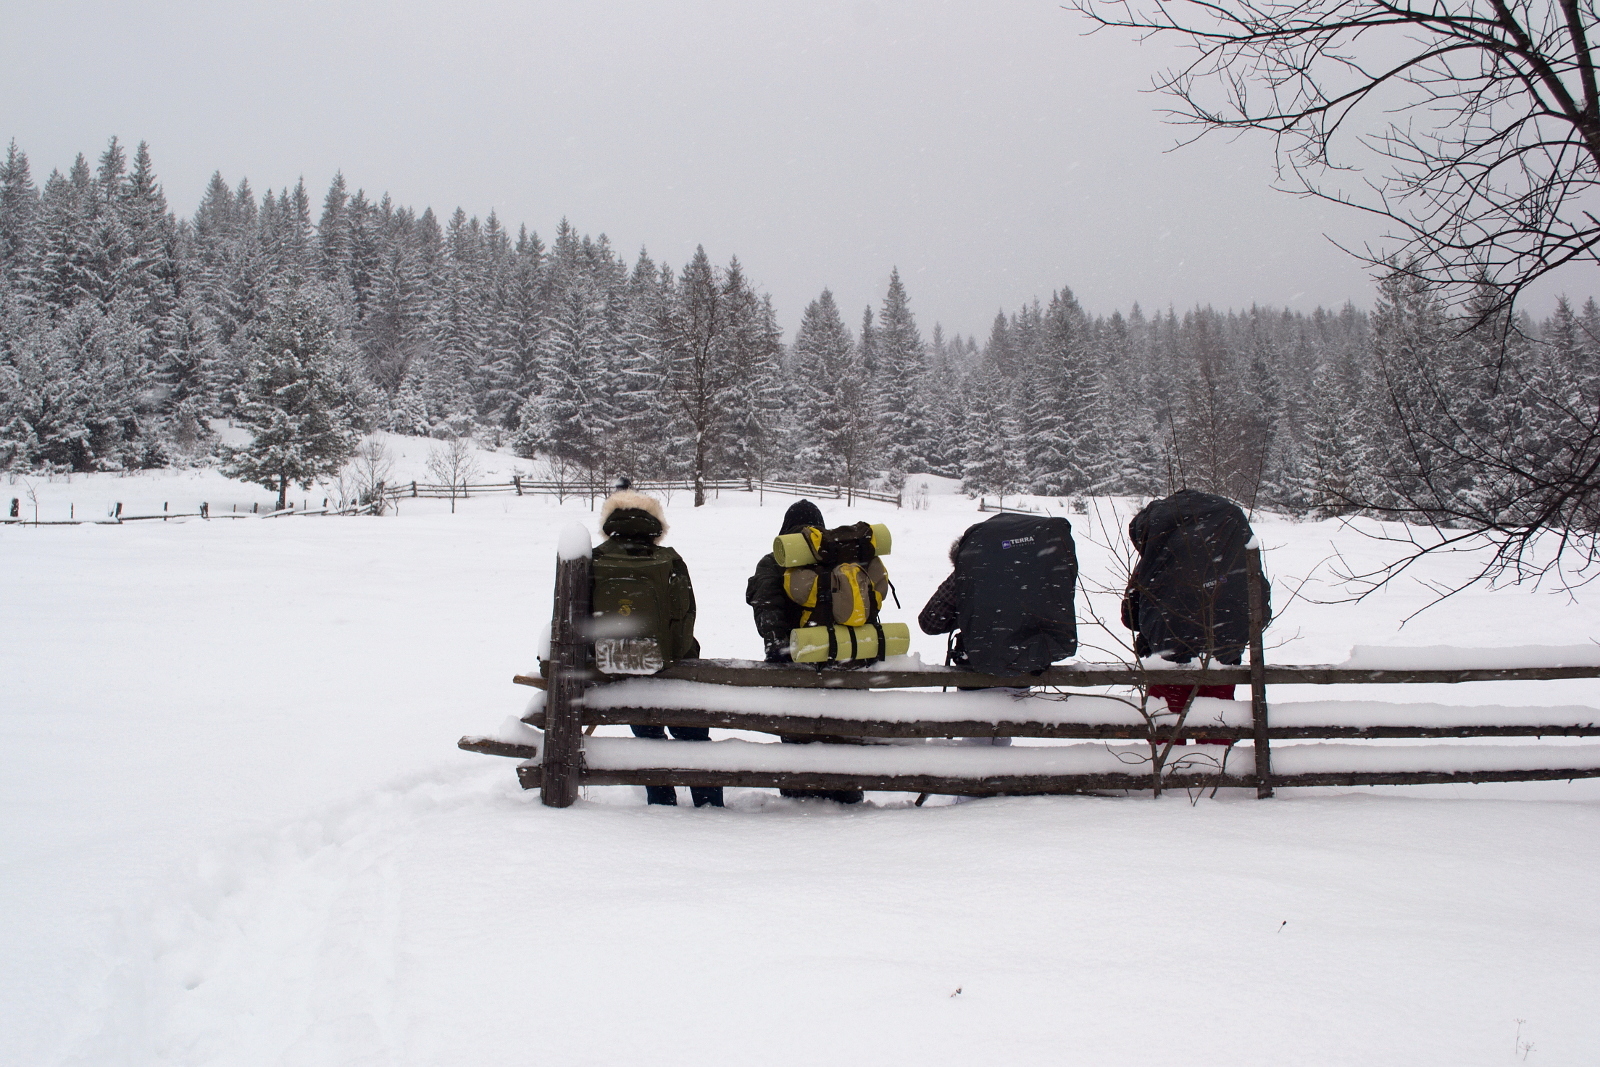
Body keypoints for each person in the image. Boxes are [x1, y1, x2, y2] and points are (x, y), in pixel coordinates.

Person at [595, 484, 722, 808]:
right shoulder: (669, 560)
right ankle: (708, 803)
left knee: (649, 738)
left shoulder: (595, 558)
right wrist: (671, 656)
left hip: (620, 667)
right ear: (656, 525)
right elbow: (685, 614)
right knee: (693, 738)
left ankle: (661, 801)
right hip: (671, 668)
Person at [1120, 489, 1270, 743]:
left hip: (1167, 660)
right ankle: (1212, 773)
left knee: (1166, 732)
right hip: (1222, 656)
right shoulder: (1234, 560)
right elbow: (1259, 606)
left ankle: (1168, 776)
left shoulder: (1157, 565)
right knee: (1215, 729)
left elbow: (1130, 617)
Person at [744, 498, 864, 804]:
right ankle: (845, 796)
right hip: (841, 661)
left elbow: (767, 608)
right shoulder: (840, 556)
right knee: (840, 735)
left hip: (795, 665)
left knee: (797, 735)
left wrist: (779, 650)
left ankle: (798, 797)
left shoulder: (774, 560)